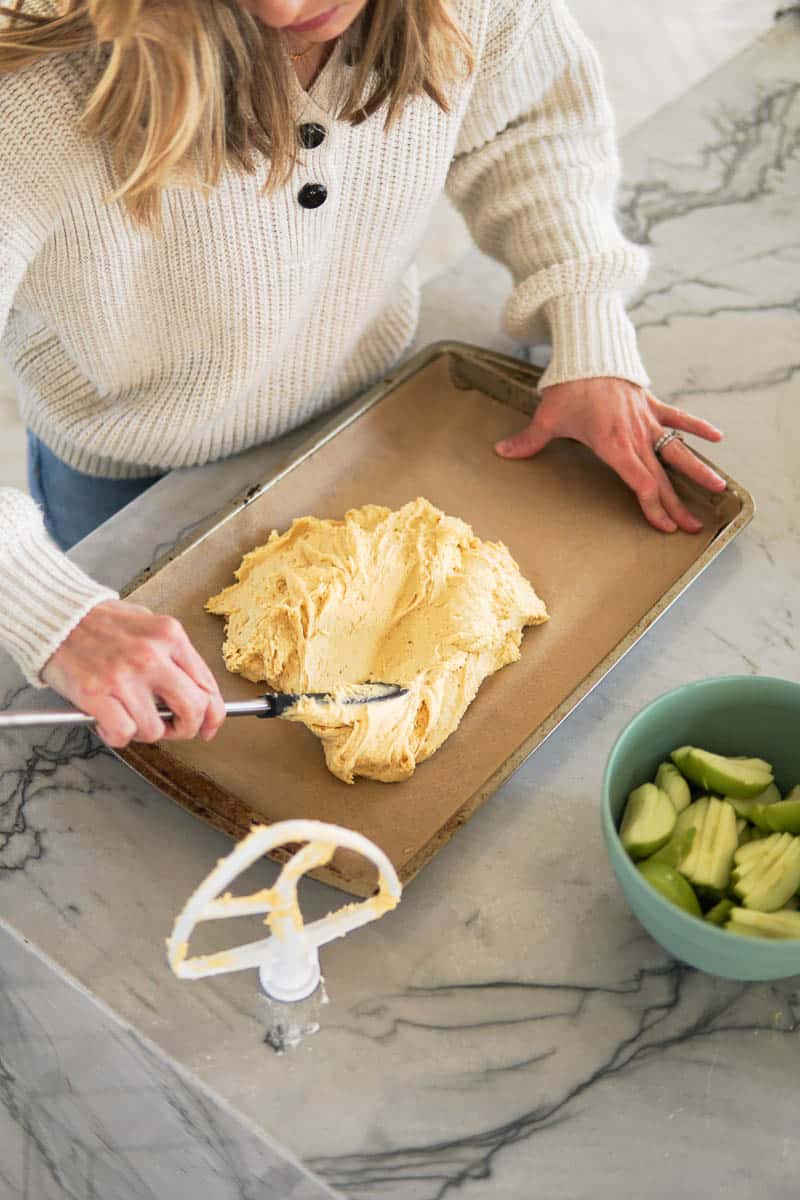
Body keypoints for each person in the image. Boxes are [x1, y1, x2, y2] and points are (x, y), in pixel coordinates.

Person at [0, 0, 726, 750]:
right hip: (132, 476)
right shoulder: (25, 93)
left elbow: (526, 129)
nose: (286, 8)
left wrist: (582, 312)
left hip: (371, 410)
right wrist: (45, 609)